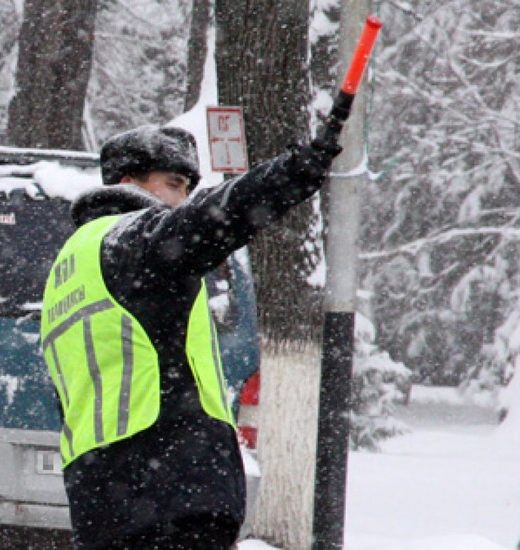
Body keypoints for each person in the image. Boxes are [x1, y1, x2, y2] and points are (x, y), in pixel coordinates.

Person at [41, 124, 341, 549]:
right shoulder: (134, 240)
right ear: (128, 182)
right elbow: (219, 214)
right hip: (170, 483)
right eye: (174, 184)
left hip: (102, 496)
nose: (181, 200)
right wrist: (293, 172)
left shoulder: (70, 267)